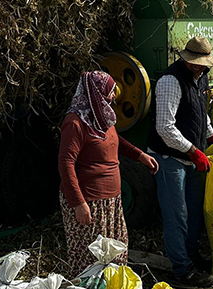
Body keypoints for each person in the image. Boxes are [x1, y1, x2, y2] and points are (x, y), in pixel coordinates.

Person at [58, 71, 160, 275]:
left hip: (111, 202)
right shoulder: (75, 123)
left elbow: (115, 140)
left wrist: (140, 155)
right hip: (90, 202)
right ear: (96, 93)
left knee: (115, 253)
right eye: (111, 91)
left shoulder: (100, 117)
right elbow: (65, 163)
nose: (114, 96)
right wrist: (78, 203)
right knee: (91, 259)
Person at [147, 36, 213, 287]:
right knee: (176, 214)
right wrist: (194, 151)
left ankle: (191, 255)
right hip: (169, 158)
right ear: (185, 58)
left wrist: (210, 134)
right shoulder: (171, 80)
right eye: (196, 63)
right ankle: (181, 269)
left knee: (194, 210)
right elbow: (164, 127)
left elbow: (199, 111)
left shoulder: (201, 77)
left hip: (190, 157)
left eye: (204, 63)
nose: (200, 67)